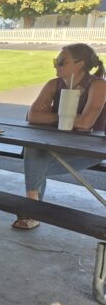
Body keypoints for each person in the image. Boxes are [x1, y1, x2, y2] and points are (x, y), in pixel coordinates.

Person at [13, 43, 106, 230]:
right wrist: (63, 118)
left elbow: (86, 123)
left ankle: (32, 210)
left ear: (79, 64)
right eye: (56, 61)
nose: (56, 65)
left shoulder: (98, 85)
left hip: (89, 149)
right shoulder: (53, 84)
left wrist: (51, 118)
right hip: (55, 145)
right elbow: (33, 116)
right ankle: (33, 207)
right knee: (33, 147)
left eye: (61, 62)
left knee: (35, 159)